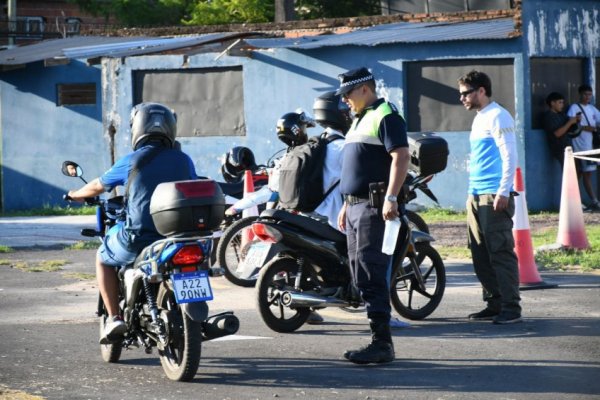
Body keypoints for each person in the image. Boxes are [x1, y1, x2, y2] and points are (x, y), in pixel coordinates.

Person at [68, 102, 198, 343]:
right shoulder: (184, 160)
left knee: (102, 257)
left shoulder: (132, 160)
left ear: (137, 128)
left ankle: (115, 317)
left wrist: (75, 194)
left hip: (139, 237)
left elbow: (98, 185)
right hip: (175, 237)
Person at [336, 67, 410, 364]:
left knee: (371, 270)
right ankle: (377, 339)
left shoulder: (385, 114)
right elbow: (357, 167)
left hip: (374, 206)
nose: (345, 102)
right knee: (360, 273)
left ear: (364, 89)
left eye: (348, 95)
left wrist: (391, 197)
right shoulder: (360, 120)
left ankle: (382, 344)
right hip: (355, 206)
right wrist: (346, 203)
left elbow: (401, 155)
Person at [457, 70, 522, 325]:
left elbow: (510, 155)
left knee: (500, 252)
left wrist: (504, 191)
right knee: (479, 253)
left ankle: (511, 307)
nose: (462, 98)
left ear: (481, 90)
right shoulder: (479, 118)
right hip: (475, 194)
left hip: (493, 194)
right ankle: (494, 303)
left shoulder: (498, 115)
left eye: (465, 93)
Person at [567, 84, 600, 211]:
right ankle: (580, 201)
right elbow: (572, 124)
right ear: (580, 94)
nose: (587, 97)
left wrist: (595, 128)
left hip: (589, 146)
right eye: (585, 94)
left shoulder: (592, 108)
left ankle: (592, 200)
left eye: (589, 94)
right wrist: (587, 128)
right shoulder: (574, 108)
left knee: (586, 173)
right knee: (580, 173)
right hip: (579, 146)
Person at [541, 92, 581, 168]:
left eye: (562, 102)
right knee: (569, 172)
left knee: (577, 170)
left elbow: (571, 128)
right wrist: (570, 122)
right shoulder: (549, 116)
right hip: (560, 149)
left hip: (568, 148)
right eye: (560, 102)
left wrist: (576, 120)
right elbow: (557, 133)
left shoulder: (561, 115)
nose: (562, 105)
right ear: (552, 103)